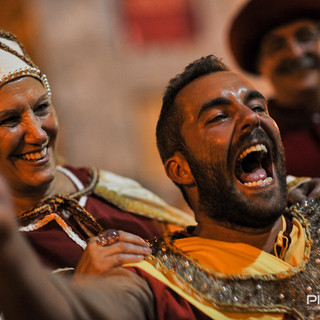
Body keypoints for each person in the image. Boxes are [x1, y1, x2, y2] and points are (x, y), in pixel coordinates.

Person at [0, 55, 319, 320]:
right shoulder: (156, 281)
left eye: (259, 107)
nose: (38, 134)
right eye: (219, 116)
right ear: (179, 169)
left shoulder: (98, 183)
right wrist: (11, 250)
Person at [0, 29, 195, 271]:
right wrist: (84, 294)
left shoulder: (108, 189)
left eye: (41, 108)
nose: (38, 133)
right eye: (9, 120)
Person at [228, 0, 320, 178]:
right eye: (276, 46)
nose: (295, 52)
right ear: (260, 64)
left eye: (305, 37)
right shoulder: (256, 142)